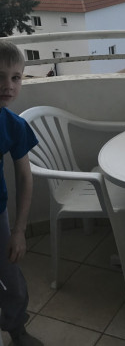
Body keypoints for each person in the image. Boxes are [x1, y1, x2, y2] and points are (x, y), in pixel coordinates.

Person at [0, 40, 43, 346]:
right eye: (0, 76)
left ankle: (17, 329)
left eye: (16, 77)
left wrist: (19, 231)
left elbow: (25, 177)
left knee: (10, 275)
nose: (8, 85)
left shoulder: (13, 126)